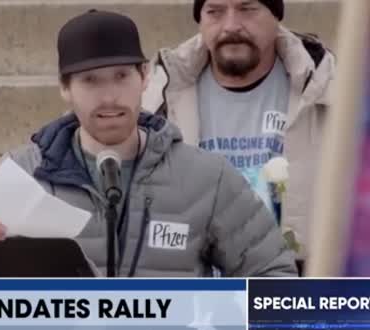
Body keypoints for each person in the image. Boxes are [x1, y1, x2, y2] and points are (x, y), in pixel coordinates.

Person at [0, 9, 297, 277]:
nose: (109, 96)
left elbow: (274, 276)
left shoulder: (205, 177)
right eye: (90, 81)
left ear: (145, 78)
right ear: (64, 88)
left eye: (121, 76)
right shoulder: (27, 169)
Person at [141, 0, 335, 273]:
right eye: (215, 12)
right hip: (198, 290)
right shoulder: (158, 95)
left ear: (276, 17)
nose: (231, 25)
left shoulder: (328, 89)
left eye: (247, 9)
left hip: (297, 286)